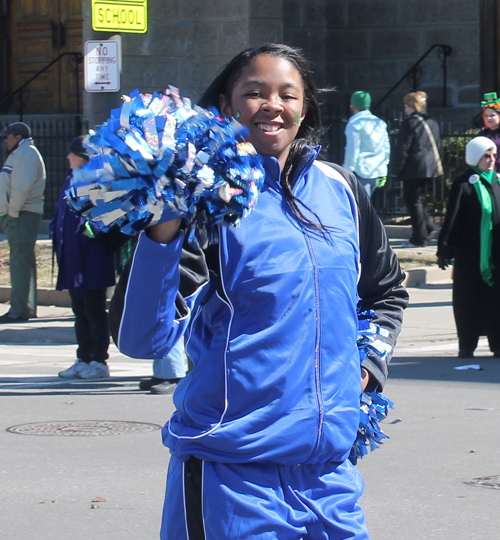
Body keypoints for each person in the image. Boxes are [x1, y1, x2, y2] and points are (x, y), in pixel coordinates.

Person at [110, 44, 408, 539]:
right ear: (226, 106)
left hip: (330, 476)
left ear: (305, 107)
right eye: (254, 93)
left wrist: (363, 369)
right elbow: (142, 339)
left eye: (287, 94)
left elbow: (386, 292)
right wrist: (163, 229)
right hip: (233, 475)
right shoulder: (206, 203)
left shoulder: (342, 190)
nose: (273, 105)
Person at [50, 136, 115, 379]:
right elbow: (60, 214)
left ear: (84, 157)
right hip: (72, 258)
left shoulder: (99, 179)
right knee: (79, 310)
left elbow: (107, 215)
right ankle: (83, 357)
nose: (68, 157)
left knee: (95, 311)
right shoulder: (70, 180)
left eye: (71, 153)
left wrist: (94, 230)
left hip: (92, 257)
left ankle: (99, 361)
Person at [437, 136, 500, 359]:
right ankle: (467, 344)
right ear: (475, 158)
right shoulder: (464, 184)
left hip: (495, 255)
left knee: (496, 301)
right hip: (470, 255)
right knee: (468, 302)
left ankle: (497, 343)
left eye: (493, 155)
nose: (491, 160)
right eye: (486, 156)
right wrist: (444, 248)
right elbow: (452, 219)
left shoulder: (498, 182)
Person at [0, 122, 46, 323]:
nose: (5, 140)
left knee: (20, 262)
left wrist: (13, 213)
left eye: (8, 136)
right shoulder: (20, 154)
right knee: (22, 261)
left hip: (22, 214)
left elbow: (21, 187)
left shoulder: (26, 154)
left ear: (18, 137)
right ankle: (24, 307)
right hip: (20, 214)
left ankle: (19, 310)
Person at [391, 91, 442, 248]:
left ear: (410, 106)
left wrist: (395, 169)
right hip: (430, 166)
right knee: (417, 200)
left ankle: (418, 237)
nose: (405, 109)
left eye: (406, 106)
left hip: (414, 167)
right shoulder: (431, 121)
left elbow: (403, 148)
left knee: (412, 201)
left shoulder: (409, 122)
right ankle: (428, 226)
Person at [343, 90, 390, 198]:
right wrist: (384, 170)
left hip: (360, 171)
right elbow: (386, 148)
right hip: (377, 171)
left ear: (352, 105)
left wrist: (347, 170)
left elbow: (353, 149)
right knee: (369, 207)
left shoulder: (355, 124)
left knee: (361, 207)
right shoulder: (380, 123)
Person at [478, 92, 500, 173]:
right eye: (486, 115)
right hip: (487, 173)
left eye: (492, 115)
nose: (489, 118)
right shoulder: (481, 135)